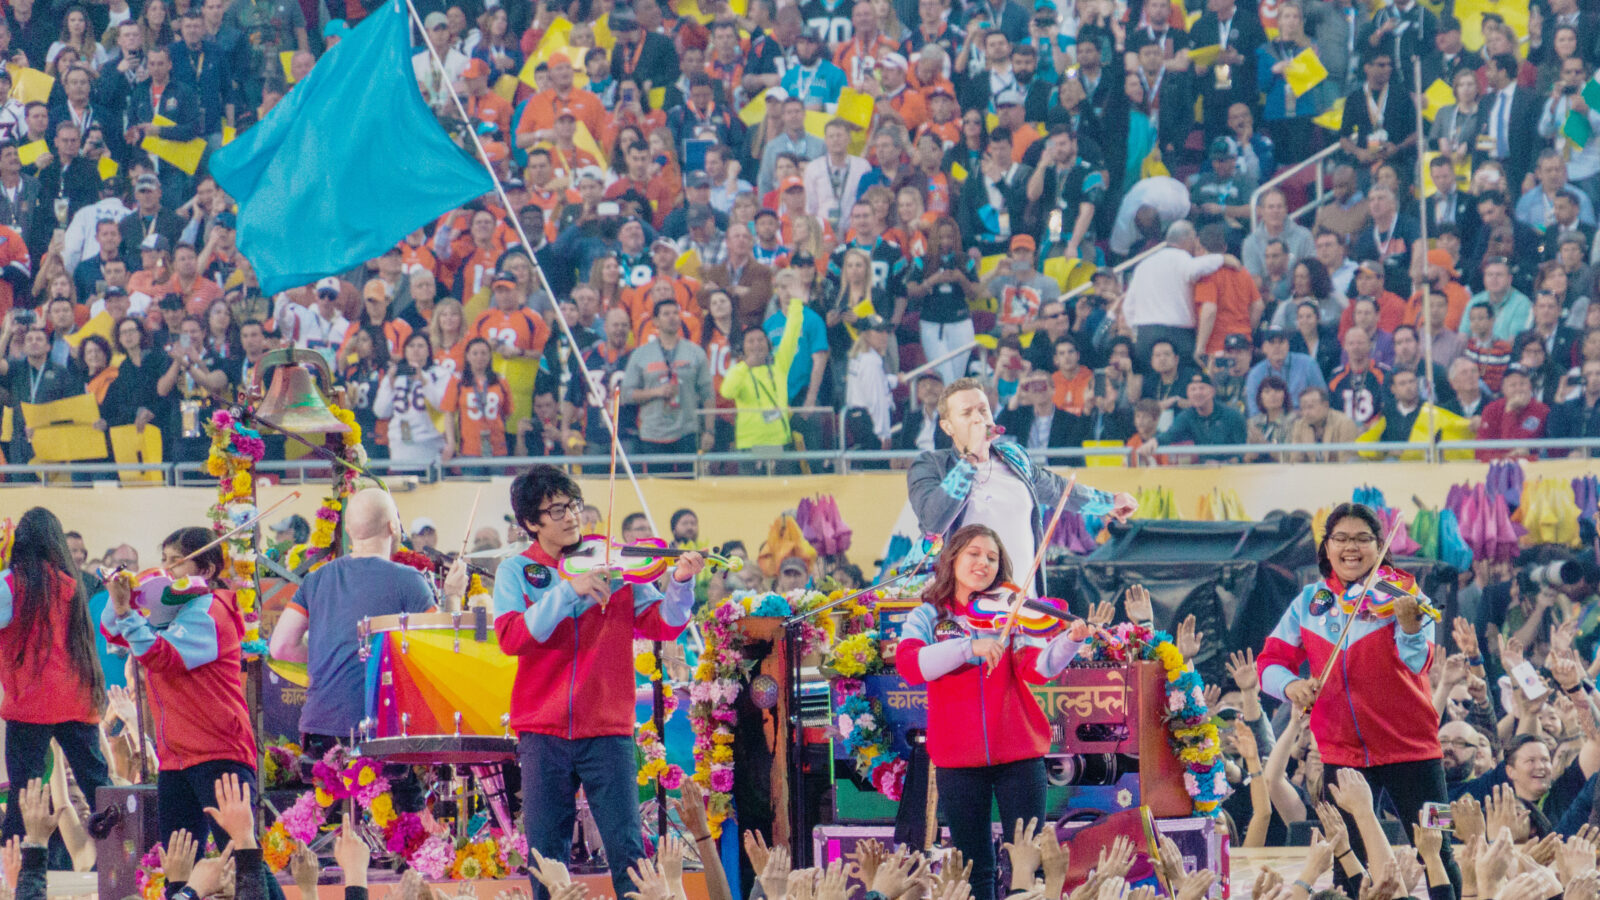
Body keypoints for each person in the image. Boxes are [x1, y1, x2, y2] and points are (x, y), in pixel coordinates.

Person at [492, 465, 704, 900]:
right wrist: (570, 591)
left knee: (628, 850)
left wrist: (681, 585)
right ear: (531, 522)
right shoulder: (516, 571)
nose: (571, 516)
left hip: (608, 729)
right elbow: (512, 637)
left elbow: (662, 624)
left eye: (572, 505)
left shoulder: (614, 563)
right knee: (546, 857)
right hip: (542, 730)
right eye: (556, 510)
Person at [1257, 503, 1457, 896]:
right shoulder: (1308, 602)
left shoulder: (1403, 591)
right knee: (1345, 858)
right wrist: (1292, 687)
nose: (1352, 548)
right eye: (1341, 538)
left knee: (1439, 850)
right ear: (1327, 548)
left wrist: (1411, 625)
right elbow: (1269, 664)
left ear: (1379, 545)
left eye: (1363, 538)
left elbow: (1420, 661)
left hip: (1416, 750)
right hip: (1340, 755)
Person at [895, 523, 1093, 900]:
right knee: (974, 868)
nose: (983, 563)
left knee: (1026, 862)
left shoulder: (1011, 609)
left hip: (1019, 753)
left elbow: (1038, 668)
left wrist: (1068, 642)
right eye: (974, 553)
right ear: (952, 558)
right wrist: (970, 647)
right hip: (957, 758)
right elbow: (911, 666)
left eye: (991, 557)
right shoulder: (928, 615)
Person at [269, 488, 465, 755]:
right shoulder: (407, 579)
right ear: (393, 527)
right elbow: (440, 649)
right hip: (382, 728)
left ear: (348, 530)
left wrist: (328, 656)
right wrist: (453, 595)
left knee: (327, 798)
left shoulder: (316, 578)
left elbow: (280, 647)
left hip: (321, 728)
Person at [906, 376, 1135, 595]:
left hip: (1023, 604)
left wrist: (1106, 503)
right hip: (964, 610)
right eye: (966, 413)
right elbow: (933, 522)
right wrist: (971, 459)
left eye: (983, 410)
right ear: (948, 427)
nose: (978, 418)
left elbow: (1056, 488)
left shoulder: (1014, 458)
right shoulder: (931, 465)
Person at [101, 527, 255, 847]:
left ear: (207, 570)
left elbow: (159, 655)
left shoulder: (212, 611)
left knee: (241, 861)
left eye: (177, 562)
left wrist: (126, 611)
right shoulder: (176, 610)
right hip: (175, 760)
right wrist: (121, 597)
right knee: (178, 865)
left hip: (218, 754)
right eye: (164, 560)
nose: (167, 570)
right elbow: (114, 632)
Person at [0, 506, 109, 841]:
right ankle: (129, 859)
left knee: (26, 791)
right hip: (76, 697)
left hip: (30, 701)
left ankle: (16, 866)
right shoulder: (72, 585)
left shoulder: (10, 583)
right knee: (99, 788)